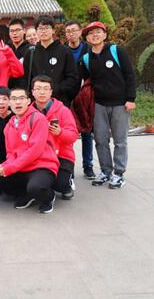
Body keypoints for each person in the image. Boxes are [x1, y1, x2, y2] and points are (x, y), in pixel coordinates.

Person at [80, 21, 136, 189]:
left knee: (120, 140)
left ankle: (118, 173)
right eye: (91, 33)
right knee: (100, 139)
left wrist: (131, 99)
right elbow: (85, 81)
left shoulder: (116, 51)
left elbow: (130, 75)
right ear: (87, 38)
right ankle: (105, 171)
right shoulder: (87, 58)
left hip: (120, 103)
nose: (95, 35)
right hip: (99, 104)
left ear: (104, 34)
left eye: (98, 32)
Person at [0, 88, 60, 214]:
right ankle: (29, 195)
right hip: (22, 168)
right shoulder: (10, 125)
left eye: (21, 98)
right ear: (10, 103)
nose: (18, 102)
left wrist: (10, 168)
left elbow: (34, 151)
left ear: (28, 101)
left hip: (41, 166)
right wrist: (5, 166)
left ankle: (48, 197)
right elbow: (10, 153)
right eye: (14, 99)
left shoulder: (38, 119)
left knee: (36, 187)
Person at [31, 75, 78, 200]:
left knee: (60, 184)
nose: (42, 92)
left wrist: (60, 132)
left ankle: (67, 184)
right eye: (38, 89)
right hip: (38, 156)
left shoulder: (63, 111)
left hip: (61, 155)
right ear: (32, 92)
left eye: (46, 89)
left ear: (51, 91)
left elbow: (73, 136)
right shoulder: (28, 112)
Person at [22, 15, 79, 106]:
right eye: (40, 28)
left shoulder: (65, 51)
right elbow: (26, 79)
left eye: (47, 28)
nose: (43, 31)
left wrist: (55, 89)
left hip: (60, 101)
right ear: (36, 31)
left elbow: (72, 78)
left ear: (53, 30)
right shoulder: (31, 52)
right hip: (36, 103)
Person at [64, 20, 95, 179]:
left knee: (87, 132)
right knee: (67, 133)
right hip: (67, 96)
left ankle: (88, 165)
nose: (71, 34)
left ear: (80, 31)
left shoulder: (89, 50)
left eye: (74, 30)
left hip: (84, 97)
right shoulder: (62, 50)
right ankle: (68, 166)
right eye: (68, 31)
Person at [7, 18, 31, 89]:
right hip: (8, 90)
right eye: (12, 31)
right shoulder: (6, 49)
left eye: (17, 30)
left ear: (24, 31)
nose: (14, 33)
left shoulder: (31, 49)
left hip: (25, 89)